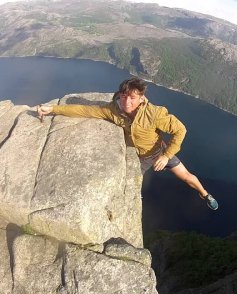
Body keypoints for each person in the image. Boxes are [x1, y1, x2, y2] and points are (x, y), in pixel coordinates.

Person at [37, 77, 218, 210]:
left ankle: (205, 195)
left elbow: (180, 130)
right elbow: (85, 110)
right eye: (124, 96)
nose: (127, 101)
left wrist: (165, 156)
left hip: (159, 151)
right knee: (130, 186)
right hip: (140, 158)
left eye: (132, 97)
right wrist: (53, 109)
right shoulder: (113, 110)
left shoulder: (154, 114)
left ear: (141, 98)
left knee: (187, 177)